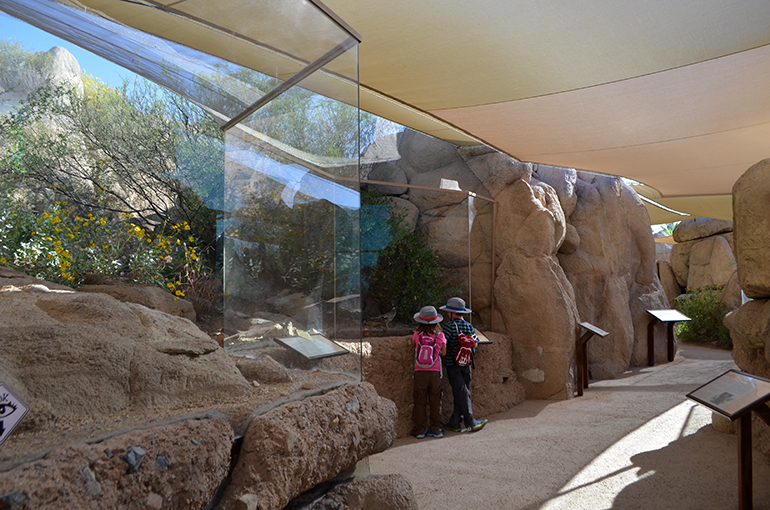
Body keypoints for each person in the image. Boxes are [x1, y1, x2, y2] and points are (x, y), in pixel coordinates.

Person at [440, 297, 487, 433]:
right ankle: (455, 422)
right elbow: (475, 344)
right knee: (462, 391)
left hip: (452, 364)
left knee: (460, 392)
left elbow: (444, 343)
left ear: (452, 313)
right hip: (467, 363)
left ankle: (470, 422)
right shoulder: (469, 326)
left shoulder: (448, 327)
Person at [411, 305, 447, 439]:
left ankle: (419, 429)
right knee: (435, 401)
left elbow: (414, 347)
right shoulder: (440, 335)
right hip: (435, 372)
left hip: (420, 371)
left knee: (420, 401)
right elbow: (443, 353)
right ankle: (436, 428)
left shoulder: (417, 335)